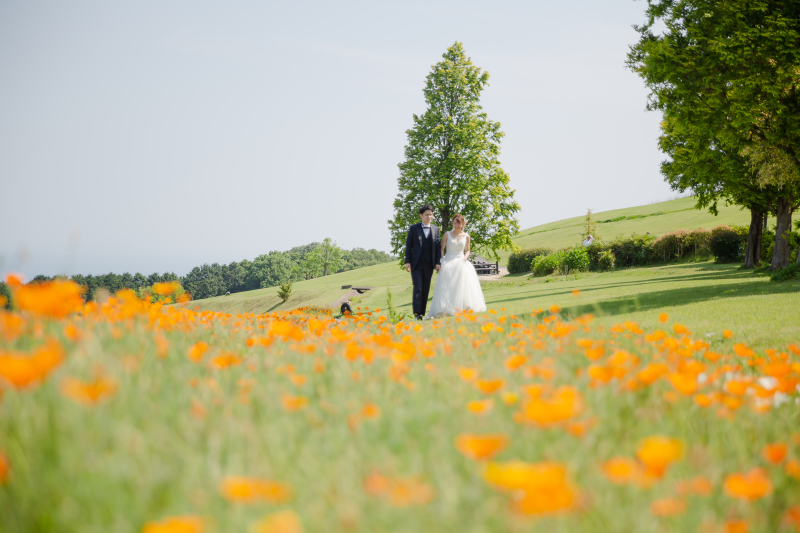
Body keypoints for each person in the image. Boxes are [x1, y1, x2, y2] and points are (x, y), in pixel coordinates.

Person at [426, 214, 486, 317]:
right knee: (447, 287)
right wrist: (442, 260)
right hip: (448, 261)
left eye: (458, 224)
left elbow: (468, 250)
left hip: (461, 261)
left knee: (462, 286)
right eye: (454, 223)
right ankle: (445, 309)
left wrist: (465, 258)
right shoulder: (447, 234)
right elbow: (441, 248)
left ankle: (464, 307)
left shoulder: (467, 236)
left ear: (462, 224)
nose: (456, 226)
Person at [404, 205, 441, 319]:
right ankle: (416, 313)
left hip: (429, 264)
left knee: (425, 288)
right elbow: (408, 246)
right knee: (418, 287)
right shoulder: (414, 228)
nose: (429, 216)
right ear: (421, 215)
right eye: (427, 215)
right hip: (416, 263)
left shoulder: (435, 229)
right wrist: (407, 261)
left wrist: (438, 262)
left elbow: (438, 247)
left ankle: (421, 313)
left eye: (431, 214)